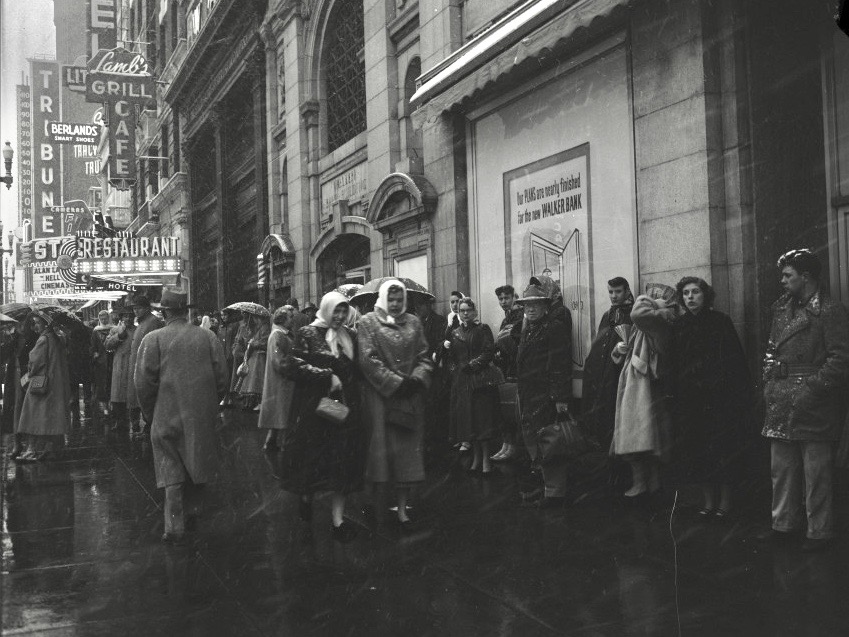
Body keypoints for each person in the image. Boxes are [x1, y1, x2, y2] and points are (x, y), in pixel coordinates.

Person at [762, 249, 849, 551]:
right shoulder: (780, 309)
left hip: (814, 402)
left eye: (788, 275)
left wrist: (811, 389)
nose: (783, 281)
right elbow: (772, 350)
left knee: (817, 474)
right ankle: (783, 526)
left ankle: (819, 531)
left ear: (806, 277)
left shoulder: (830, 310)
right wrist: (770, 382)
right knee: (782, 470)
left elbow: (841, 360)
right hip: (781, 400)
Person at [135, 289, 228, 543]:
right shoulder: (208, 337)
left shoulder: (153, 340)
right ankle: (194, 515)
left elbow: (142, 383)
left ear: (164, 312)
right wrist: (210, 404)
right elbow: (222, 378)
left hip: (165, 415)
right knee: (197, 465)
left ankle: (174, 527)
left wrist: (149, 412)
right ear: (186, 310)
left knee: (171, 472)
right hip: (200, 416)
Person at [280, 292, 363, 541]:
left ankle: (338, 521)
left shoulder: (350, 336)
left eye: (343, 311)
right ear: (327, 309)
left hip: (342, 409)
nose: (339, 316)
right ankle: (306, 497)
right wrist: (326, 375)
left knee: (342, 464)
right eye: (335, 310)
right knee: (312, 462)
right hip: (314, 409)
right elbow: (291, 366)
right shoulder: (308, 333)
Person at [671, 277, 752, 519]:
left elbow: (734, 360)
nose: (690, 297)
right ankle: (707, 501)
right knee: (698, 451)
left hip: (719, 400)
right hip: (691, 401)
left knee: (723, 451)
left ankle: (725, 502)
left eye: (695, 292)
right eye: (685, 293)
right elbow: (674, 364)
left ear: (705, 295)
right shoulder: (680, 325)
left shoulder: (720, 322)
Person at [358, 280, 433, 529]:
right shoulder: (367, 322)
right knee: (380, 456)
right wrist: (394, 382)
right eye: (391, 299)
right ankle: (375, 503)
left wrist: (417, 379)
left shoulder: (413, 322)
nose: (395, 304)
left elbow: (424, 355)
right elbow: (368, 359)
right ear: (382, 298)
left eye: (399, 300)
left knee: (406, 457)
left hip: (409, 398)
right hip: (380, 399)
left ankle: (402, 508)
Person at [611, 283, 678, 500]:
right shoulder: (652, 324)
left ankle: (642, 485)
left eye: (653, 296)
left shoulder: (659, 321)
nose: (647, 297)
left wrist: (653, 303)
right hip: (640, 386)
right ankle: (651, 485)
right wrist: (619, 350)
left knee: (639, 437)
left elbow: (637, 312)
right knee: (648, 438)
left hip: (643, 388)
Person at [515, 279, 573, 508]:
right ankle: (543, 488)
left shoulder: (554, 327)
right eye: (526, 305)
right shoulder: (529, 329)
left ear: (545, 305)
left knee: (551, 443)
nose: (529, 308)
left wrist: (560, 398)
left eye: (535, 304)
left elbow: (560, 364)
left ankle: (555, 493)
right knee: (535, 443)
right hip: (529, 395)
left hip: (546, 396)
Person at [447, 298, 501, 474]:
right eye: (461, 310)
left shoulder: (482, 329)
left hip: (480, 381)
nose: (465, 313)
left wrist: (474, 364)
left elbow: (488, 351)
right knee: (470, 423)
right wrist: (455, 370)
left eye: (468, 310)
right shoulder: (455, 332)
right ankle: (476, 457)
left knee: (482, 421)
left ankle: (486, 458)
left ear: (474, 311)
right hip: (463, 383)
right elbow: (453, 359)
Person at [582, 277, 634, 451]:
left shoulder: (632, 313)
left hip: (620, 371)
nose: (613, 296)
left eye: (618, 291)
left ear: (627, 291)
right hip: (603, 372)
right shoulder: (608, 314)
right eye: (610, 292)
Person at [16, 313, 72, 463]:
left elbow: (34, 363)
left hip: (42, 383)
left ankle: (31, 450)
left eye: (37, 323)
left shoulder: (43, 339)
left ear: (46, 324)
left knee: (33, 415)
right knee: (52, 417)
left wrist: (28, 371)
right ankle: (51, 448)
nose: (35, 326)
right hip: (56, 384)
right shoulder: (58, 338)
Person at [492, 284, 524, 462]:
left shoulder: (519, 316)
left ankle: (512, 447)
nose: (503, 302)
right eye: (500, 299)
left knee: (513, 411)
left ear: (513, 298)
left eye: (506, 298)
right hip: (506, 368)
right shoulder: (507, 318)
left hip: (516, 368)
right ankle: (507, 445)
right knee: (506, 411)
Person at [258, 306, 296, 450]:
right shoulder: (277, 335)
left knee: (280, 413)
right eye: (290, 317)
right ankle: (281, 445)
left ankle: (272, 443)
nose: (292, 320)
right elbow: (278, 360)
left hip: (281, 380)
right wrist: (292, 367)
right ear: (282, 319)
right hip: (281, 381)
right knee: (282, 412)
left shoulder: (282, 334)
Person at [127, 295, 164, 436]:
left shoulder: (152, 322)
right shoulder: (142, 323)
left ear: (147, 308)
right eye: (134, 308)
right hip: (138, 366)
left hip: (146, 367)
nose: (136, 311)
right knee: (139, 398)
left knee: (146, 398)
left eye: (139, 308)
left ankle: (150, 428)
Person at [414, 297, 448, 444]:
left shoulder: (438, 321)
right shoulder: (417, 322)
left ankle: (436, 440)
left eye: (420, 305)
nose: (418, 308)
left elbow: (438, 344)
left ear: (428, 305)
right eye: (416, 306)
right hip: (421, 370)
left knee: (434, 405)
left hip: (433, 370)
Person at [4, 316, 39, 459]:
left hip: (28, 378)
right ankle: (18, 444)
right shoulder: (13, 338)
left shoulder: (35, 338)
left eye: (23, 322)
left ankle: (31, 445)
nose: (20, 325)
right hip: (14, 379)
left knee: (29, 410)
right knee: (15, 411)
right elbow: (4, 355)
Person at [105, 308, 136, 432]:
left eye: (130, 316)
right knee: (118, 396)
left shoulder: (137, 330)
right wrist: (119, 336)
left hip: (133, 365)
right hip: (120, 366)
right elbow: (107, 345)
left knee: (133, 396)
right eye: (125, 316)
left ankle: (134, 421)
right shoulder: (115, 330)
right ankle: (119, 420)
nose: (128, 319)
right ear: (121, 318)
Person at [233, 312, 271, 410]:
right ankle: (250, 402)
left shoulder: (265, 327)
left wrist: (254, 343)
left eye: (257, 318)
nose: (255, 320)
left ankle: (256, 402)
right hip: (254, 356)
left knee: (256, 381)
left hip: (260, 357)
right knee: (251, 380)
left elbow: (265, 341)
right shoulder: (257, 328)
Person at [90, 310, 114, 418]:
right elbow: (93, 345)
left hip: (112, 360)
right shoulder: (96, 331)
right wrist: (95, 353)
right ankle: (105, 407)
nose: (104, 320)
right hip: (101, 363)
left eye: (105, 318)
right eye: (102, 318)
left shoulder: (113, 329)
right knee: (102, 384)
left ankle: (111, 404)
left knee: (111, 383)